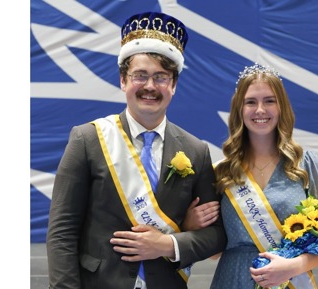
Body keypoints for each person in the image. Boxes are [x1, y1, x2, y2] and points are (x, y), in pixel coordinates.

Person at [46, 11, 227, 289]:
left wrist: (168, 245)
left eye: (161, 77)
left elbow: (216, 235)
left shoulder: (196, 150)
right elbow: (62, 232)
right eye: (140, 75)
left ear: (174, 85)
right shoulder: (88, 139)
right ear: (123, 81)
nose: (150, 87)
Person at [185, 63, 318, 289]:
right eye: (251, 102)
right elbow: (214, 251)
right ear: (239, 109)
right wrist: (191, 224)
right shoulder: (222, 172)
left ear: (281, 108)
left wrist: (293, 267)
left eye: (269, 101)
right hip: (232, 279)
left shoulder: (304, 164)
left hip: (291, 280)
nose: (260, 110)